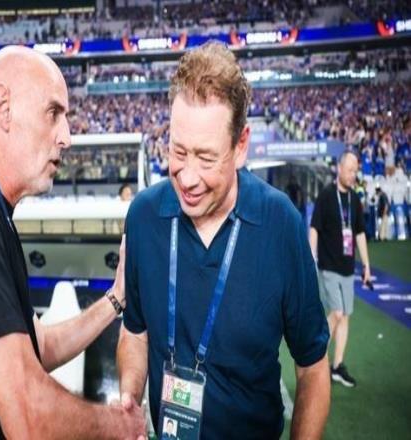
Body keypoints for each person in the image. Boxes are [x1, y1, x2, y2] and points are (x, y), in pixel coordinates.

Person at [0, 46, 145, 439]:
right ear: (4, 109)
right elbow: (28, 415)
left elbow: (42, 346)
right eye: (53, 113)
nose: (66, 137)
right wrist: (121, 426)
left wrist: (116, 298)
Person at [117, 42, 330, 440]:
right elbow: (135, 331)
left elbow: (313, 368)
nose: (188, 177)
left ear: (240, 145)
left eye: (206, 158)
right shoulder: (143, 216)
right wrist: (129, 396)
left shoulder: (280, 224)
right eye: (178, 151)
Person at [309, 151, 372, 388]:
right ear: (339, 168)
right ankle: (314, 359)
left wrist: (366, 265)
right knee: (336, 313)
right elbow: (314, 228)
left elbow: (360, 233)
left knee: (345, 316)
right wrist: (311, 258)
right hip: (328, 267)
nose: (353, 174)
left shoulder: (355, 199)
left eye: (356, 170)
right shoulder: (326, 196)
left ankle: (337, 366)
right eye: (350, 170)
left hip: (348, 268)